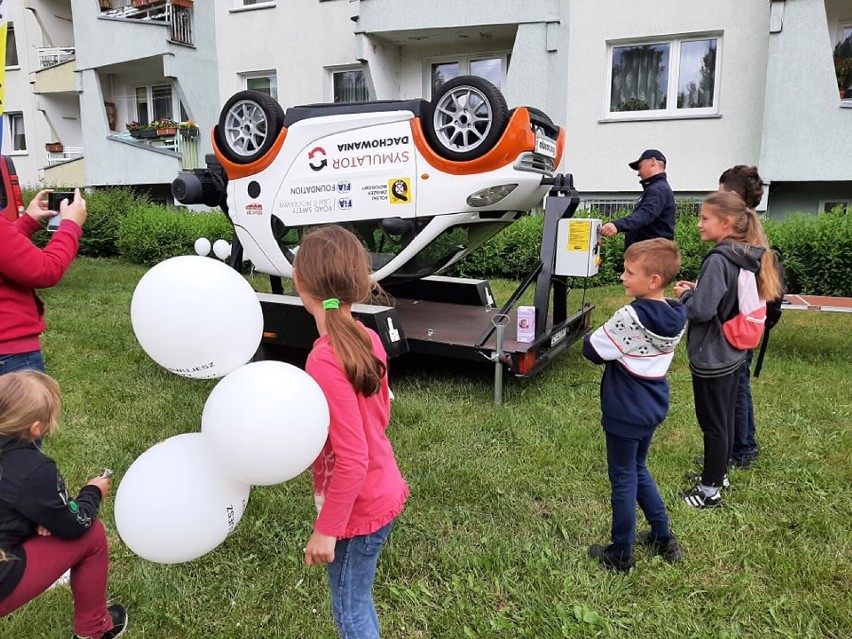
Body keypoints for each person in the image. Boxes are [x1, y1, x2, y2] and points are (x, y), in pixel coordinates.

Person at [293, 225, 408, 638]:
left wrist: (327, 528)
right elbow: (378, 418)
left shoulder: (324, 360)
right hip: (382, 493)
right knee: (358, 598)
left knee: (350, 610)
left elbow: (353, 456)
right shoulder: (368, 336)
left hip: (357, 514)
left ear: (298, 282)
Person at [583, 238, 687, 573]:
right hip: (652, 405)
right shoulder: (676, 313)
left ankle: (621, 553)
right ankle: (662, 536)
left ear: (653, 280)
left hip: (624, 410)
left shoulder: (629, 316)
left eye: (629, 272)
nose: (622, 277)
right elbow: (686, 302)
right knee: (638, 468)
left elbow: (593, 350)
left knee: (624, 477)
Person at [674, 191, 783, 508]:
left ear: (726, 222)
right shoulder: (745, 254)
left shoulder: (719, 258)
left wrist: (684, 296)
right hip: (734, 351)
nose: (698, 225)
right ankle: (717, 473)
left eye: (704, 218)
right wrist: (698, 291)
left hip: (713, 355)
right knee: (723, 420)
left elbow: (702, 311)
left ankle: (709, 493)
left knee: (713, 424)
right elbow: (726, 299)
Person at [0, 371, 127, 639]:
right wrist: (93, 492)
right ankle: (94, 630)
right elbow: (75, 525)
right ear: (36, 428)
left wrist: (35, 519)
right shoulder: (34, 471)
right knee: (92, 535)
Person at [0, 189, 87, 375]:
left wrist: (27, 222)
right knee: (23, 405)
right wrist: (71, 225)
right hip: (9, 355)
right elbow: (45, 271)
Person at [718, 166, 764, 469]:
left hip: (738, 326)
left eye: (721, 194)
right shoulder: (753, 236)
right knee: (740, 386)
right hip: (746, 323)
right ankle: (742, 444)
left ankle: (742, 449)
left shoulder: (740, 240)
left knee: (736, 389)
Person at [600, 149, 676, 249]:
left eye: (639, 167)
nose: (638, 174)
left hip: (652, 255)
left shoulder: (658, 189)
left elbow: (645, 214)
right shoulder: (656, 188)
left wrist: (617, 225)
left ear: (653, 162)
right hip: (650, 253)